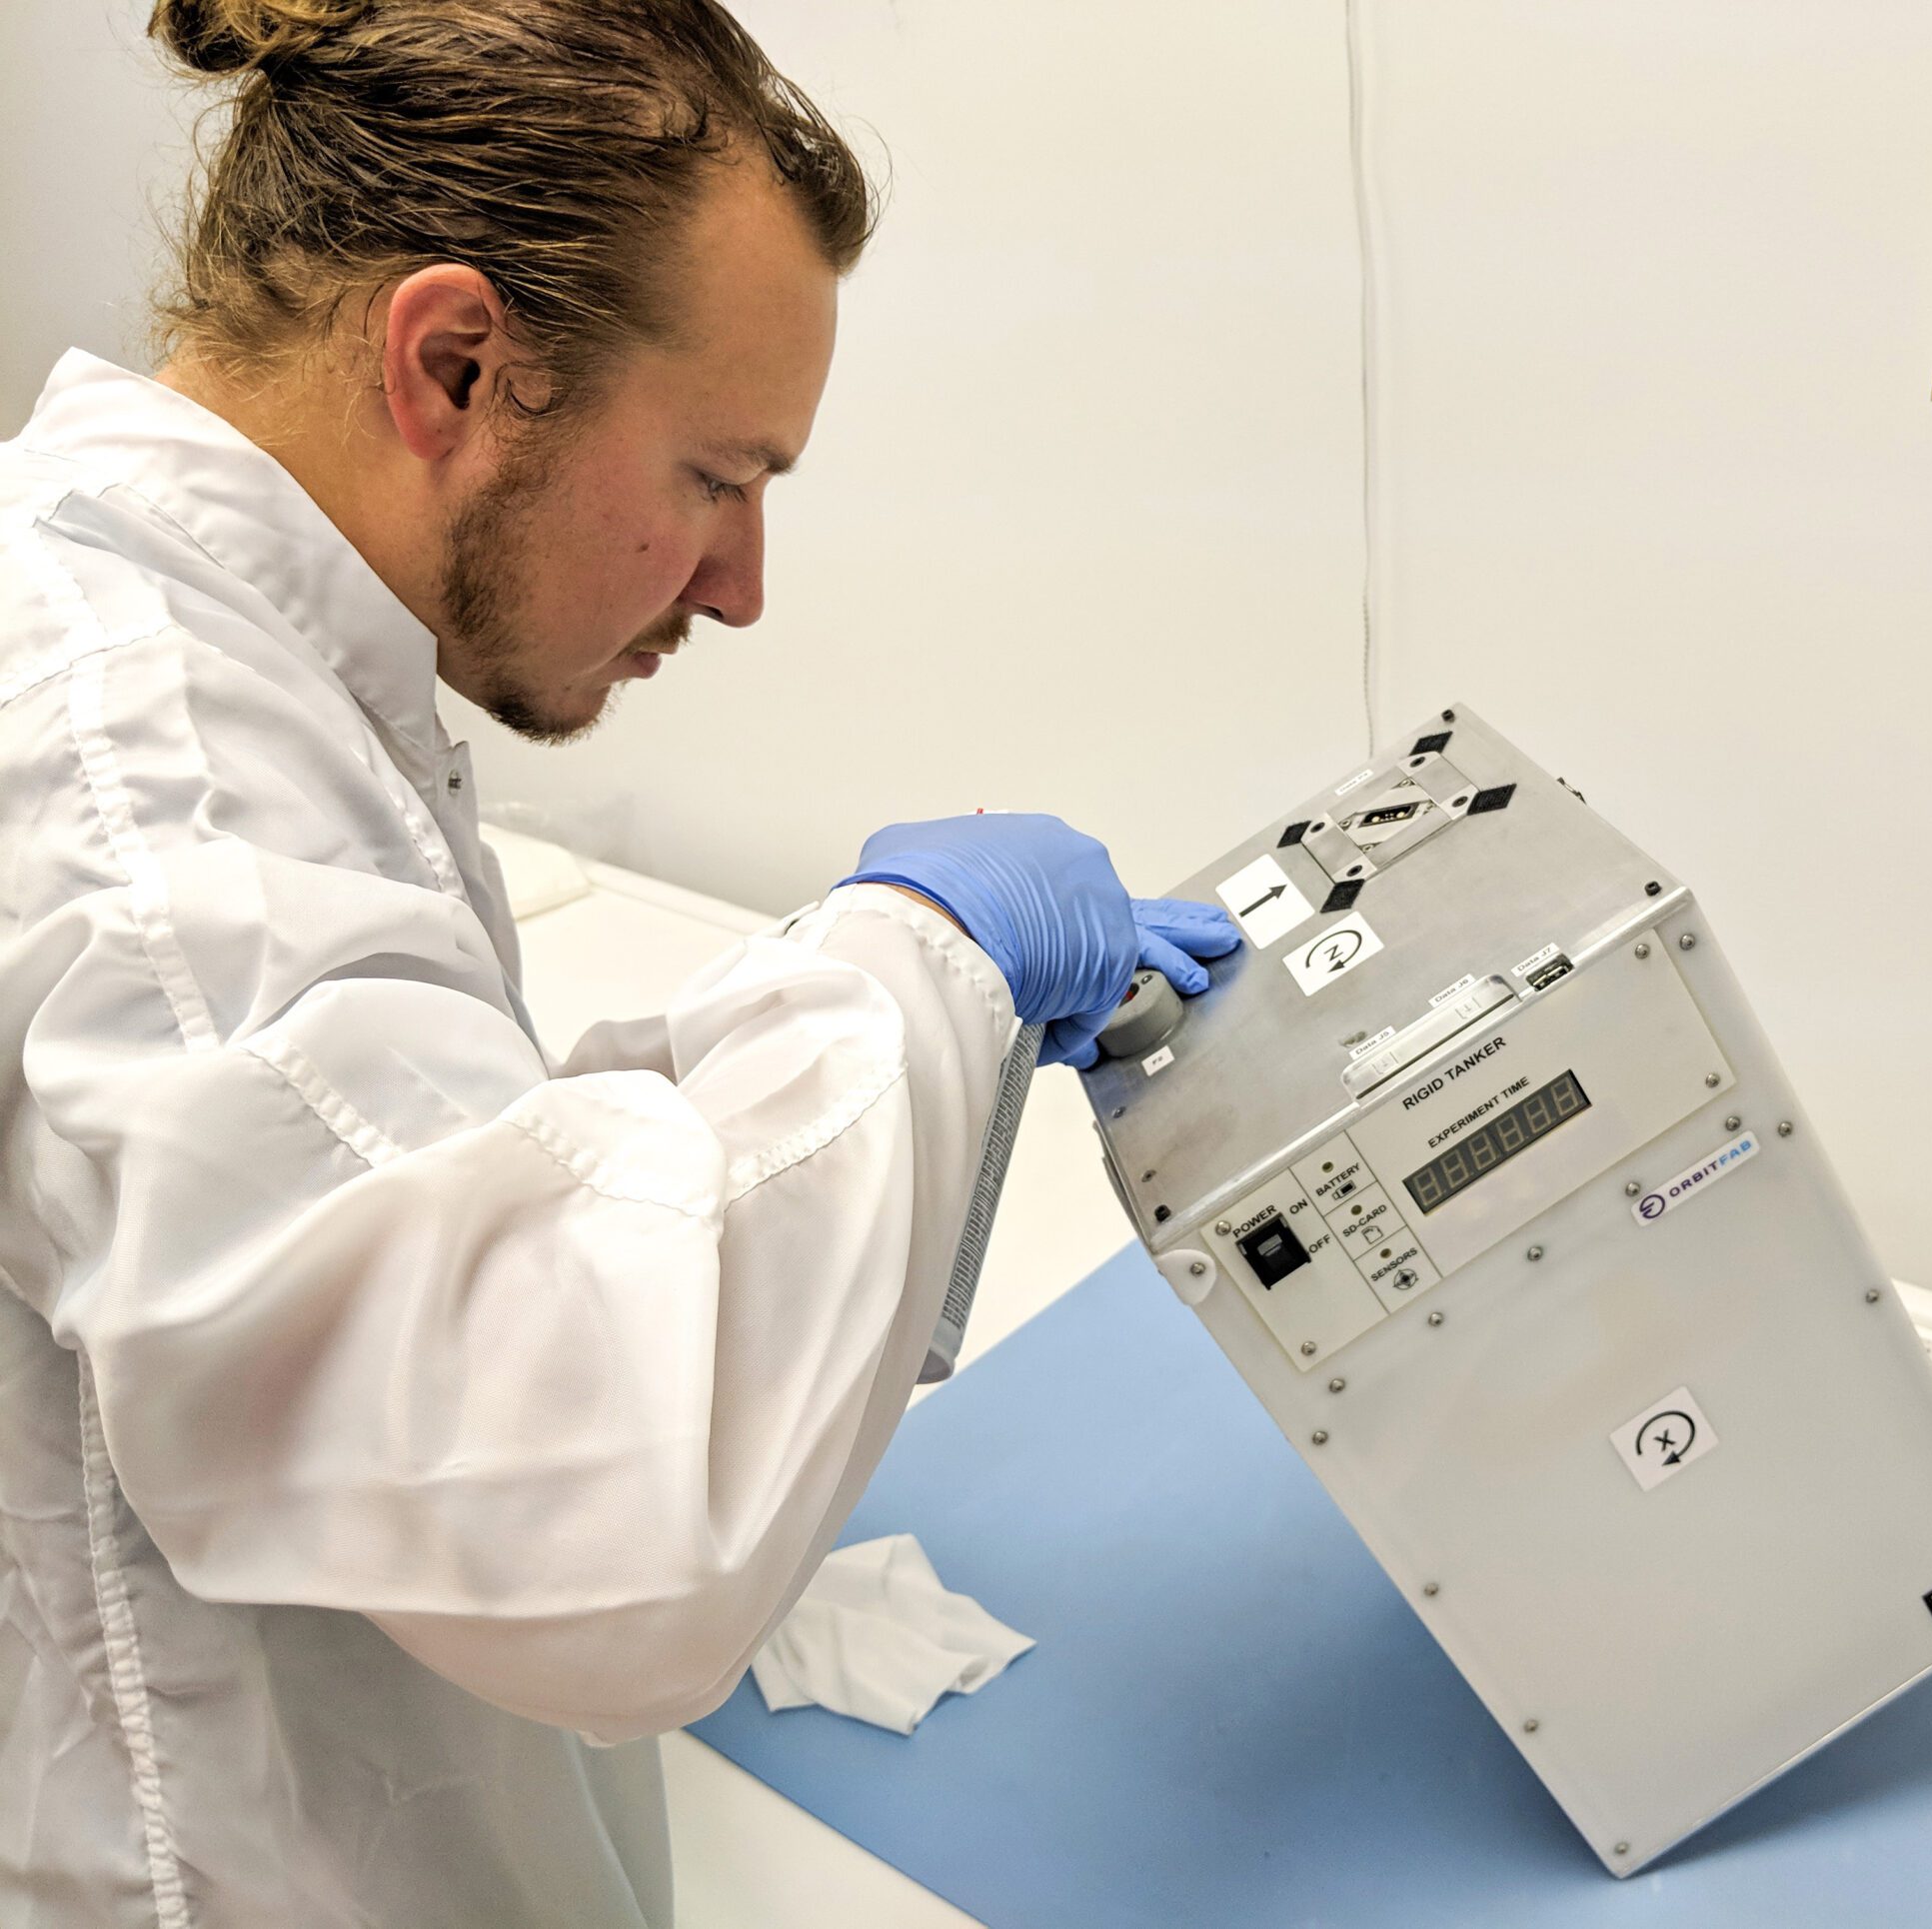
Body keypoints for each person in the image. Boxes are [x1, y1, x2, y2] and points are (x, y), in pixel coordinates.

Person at [0, 2, 1236, 1921]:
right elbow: (584, 1499)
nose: (743, 583)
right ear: (457, 363)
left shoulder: (219, 652)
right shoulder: (150, 792)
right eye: (719, 477)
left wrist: (835, 990)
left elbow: (404, 1166)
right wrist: (912, 971)